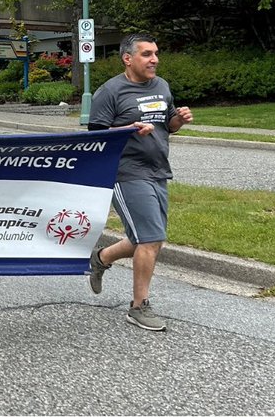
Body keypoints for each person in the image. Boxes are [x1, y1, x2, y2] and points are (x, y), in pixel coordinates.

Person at [86, 33, 193, 332]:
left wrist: (179, 120)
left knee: (146, 237)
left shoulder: (161, 86)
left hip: (158, 169)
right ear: (128, 58)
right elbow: (95, 136)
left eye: (156, 53)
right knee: (150, 239)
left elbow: (167, 125)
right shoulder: (109, 91)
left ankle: (101, 258)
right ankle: (138, 306)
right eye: (147, 54)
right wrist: (127, 129)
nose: (154, 59)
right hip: (125, 172)